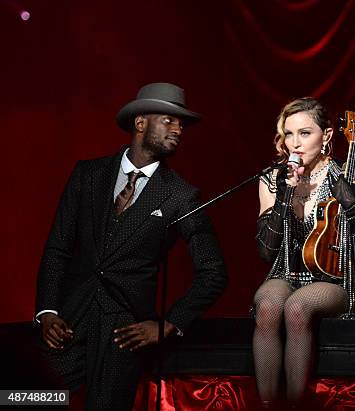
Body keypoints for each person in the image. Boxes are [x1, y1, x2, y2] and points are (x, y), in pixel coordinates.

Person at [35, 82, 227, 410]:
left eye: (181, 123)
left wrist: (168, 324)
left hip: (124, 334)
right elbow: (57, 248)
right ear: (141, 123)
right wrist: (48, 312)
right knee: (29, 399)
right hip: (67, 322)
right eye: (169, 120)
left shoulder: (181, 196)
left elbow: (213, 272)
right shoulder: (87, 175)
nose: (178, 129)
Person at [253, 97, 355, 406]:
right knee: (269, 303)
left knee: (298, 307)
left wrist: (351, 205)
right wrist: (285, 195)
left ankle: (296, 405)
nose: (294, 143)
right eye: (289, 134)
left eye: (305, 133)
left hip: (336, 280)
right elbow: (264, 253)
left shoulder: (349, 176)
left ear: (326, 136)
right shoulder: (273, 180)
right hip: (287, 272)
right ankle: (267, 405)